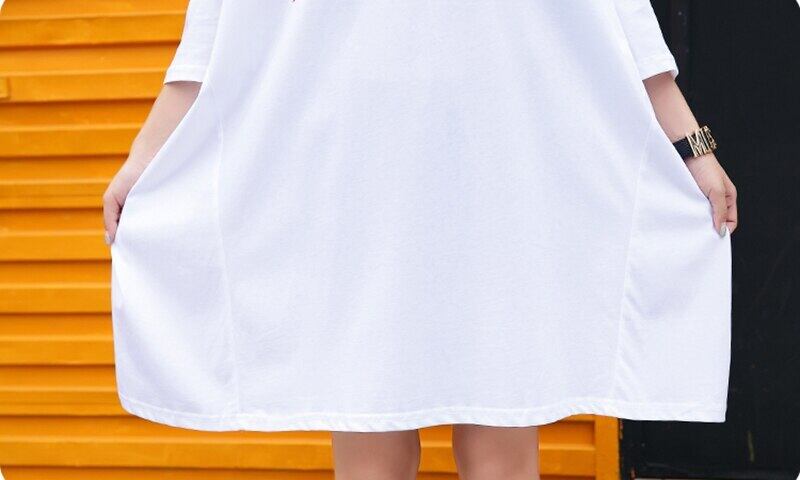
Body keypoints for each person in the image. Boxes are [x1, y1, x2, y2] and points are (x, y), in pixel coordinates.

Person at [103, 1, 737, 479]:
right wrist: (145, 161)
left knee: (501, 422)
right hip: (351, 159)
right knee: (369, 421)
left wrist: (691, 145)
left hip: (505, 144)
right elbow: (217, 35)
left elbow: (614, 15)